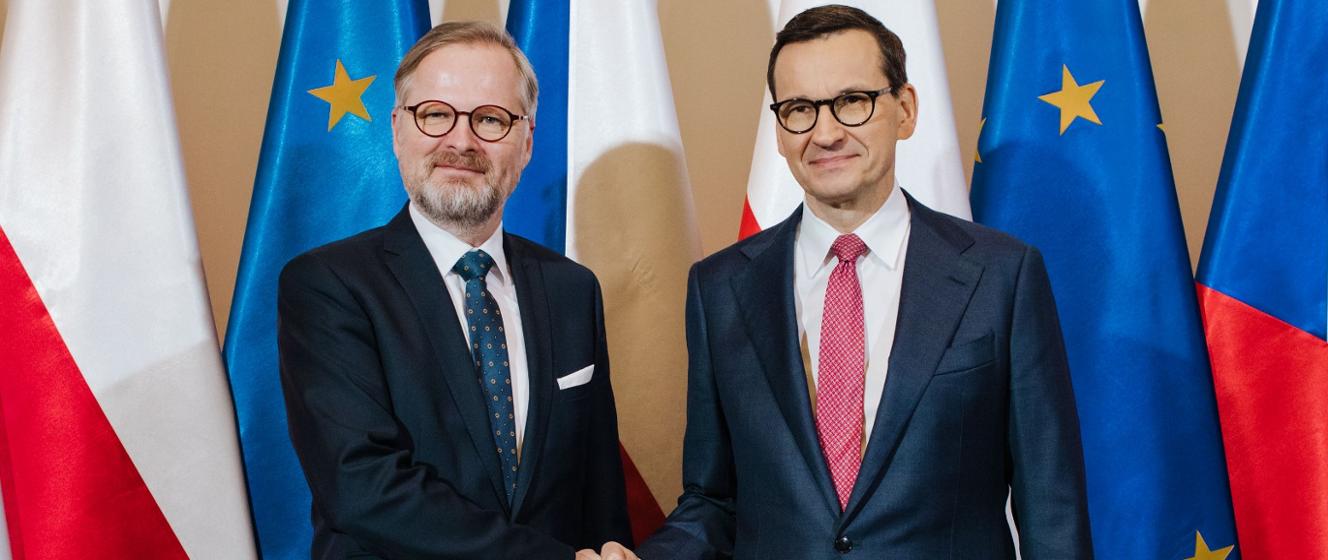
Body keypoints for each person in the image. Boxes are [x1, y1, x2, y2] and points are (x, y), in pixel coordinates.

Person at [609, 5, 1093, 559]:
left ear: (905, 110)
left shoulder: (1002, 274)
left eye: (852, 101)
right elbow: (714, 500)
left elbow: (1051, 507)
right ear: (779, 129)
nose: (826, 133)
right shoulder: (719, 289)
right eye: (800, 109)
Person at [278, 21, 631, 559]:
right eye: (436, 114)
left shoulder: (572, 289)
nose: (461, 142)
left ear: (527, 142)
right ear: (398, 130)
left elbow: (598, 488)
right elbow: (364, 489)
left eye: (490, 119)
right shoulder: (328, 285)